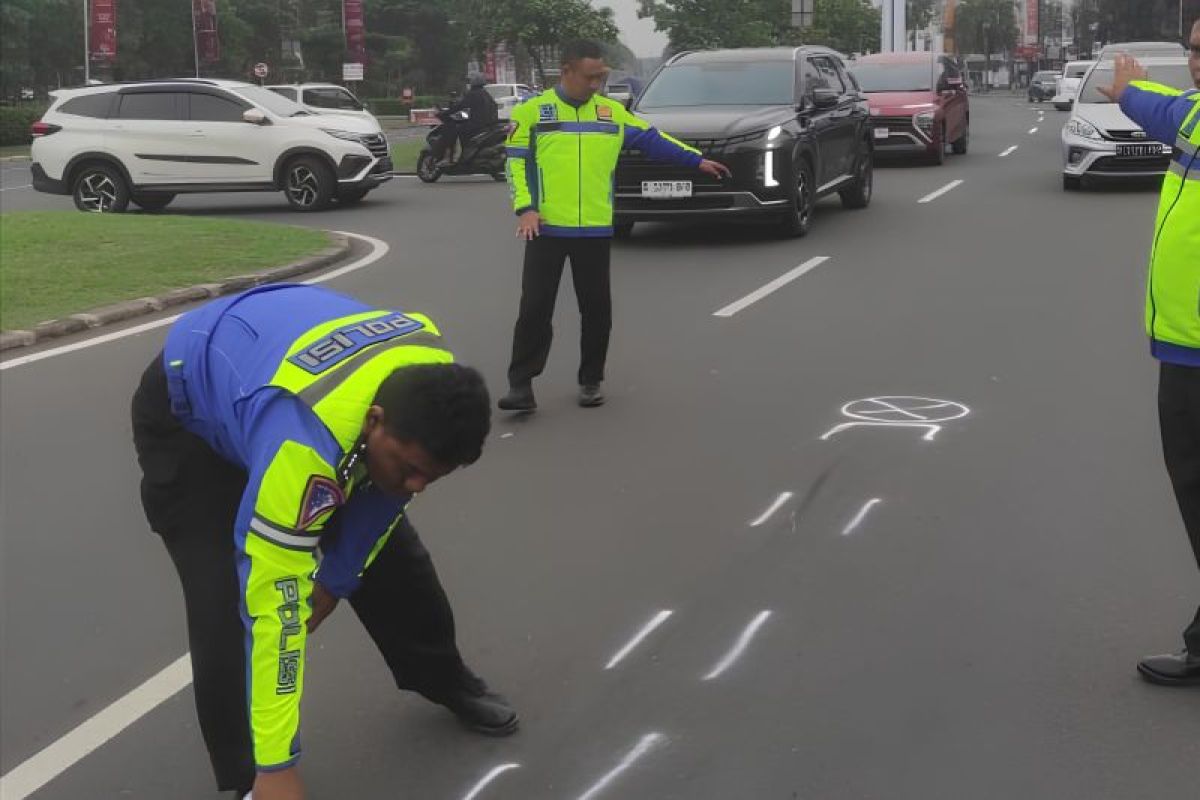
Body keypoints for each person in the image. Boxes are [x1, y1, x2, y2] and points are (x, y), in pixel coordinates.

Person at [131, 284, 518, 800]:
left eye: (431, 477)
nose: (417, 487)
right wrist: (278, 764)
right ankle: (253, 776)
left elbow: (386, 500)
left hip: (271, 379)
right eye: (409, 470)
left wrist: (336, 580)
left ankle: (442, 676)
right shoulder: (306, 448)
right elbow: (278, 609)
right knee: (227, 598)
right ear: (374, 422)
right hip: (192, 417)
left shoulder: (430, 379)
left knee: (396, 560)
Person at [497, 40, 731, 412]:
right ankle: (521, 385)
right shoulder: (532, 113)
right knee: (535, 310)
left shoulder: (611, 113)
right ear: (567, 71)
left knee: (596, 310)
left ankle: (591, 380)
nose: (596, 85)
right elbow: (515, 165)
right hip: (545, 229)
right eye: (590, 77)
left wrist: (696, 161)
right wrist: (525, 208)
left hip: (594, 228)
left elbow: (654, 140)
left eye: (601, 78)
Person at [1099, 22, 1200, 686]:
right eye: (1195, 49)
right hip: (1185, 349)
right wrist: (1131, 91)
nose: (1197, 62)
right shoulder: (1193, 113)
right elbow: (1166, 110)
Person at [439, 74, 499, 165]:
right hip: (486, 124)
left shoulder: (473, 94)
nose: (469, 83)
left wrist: (445, 113)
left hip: (476, 125)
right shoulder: (485, 94)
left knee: (452, 131)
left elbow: (460, 106)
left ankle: (451, 157)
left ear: (474, 82)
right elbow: (473, 110)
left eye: (470, 81)